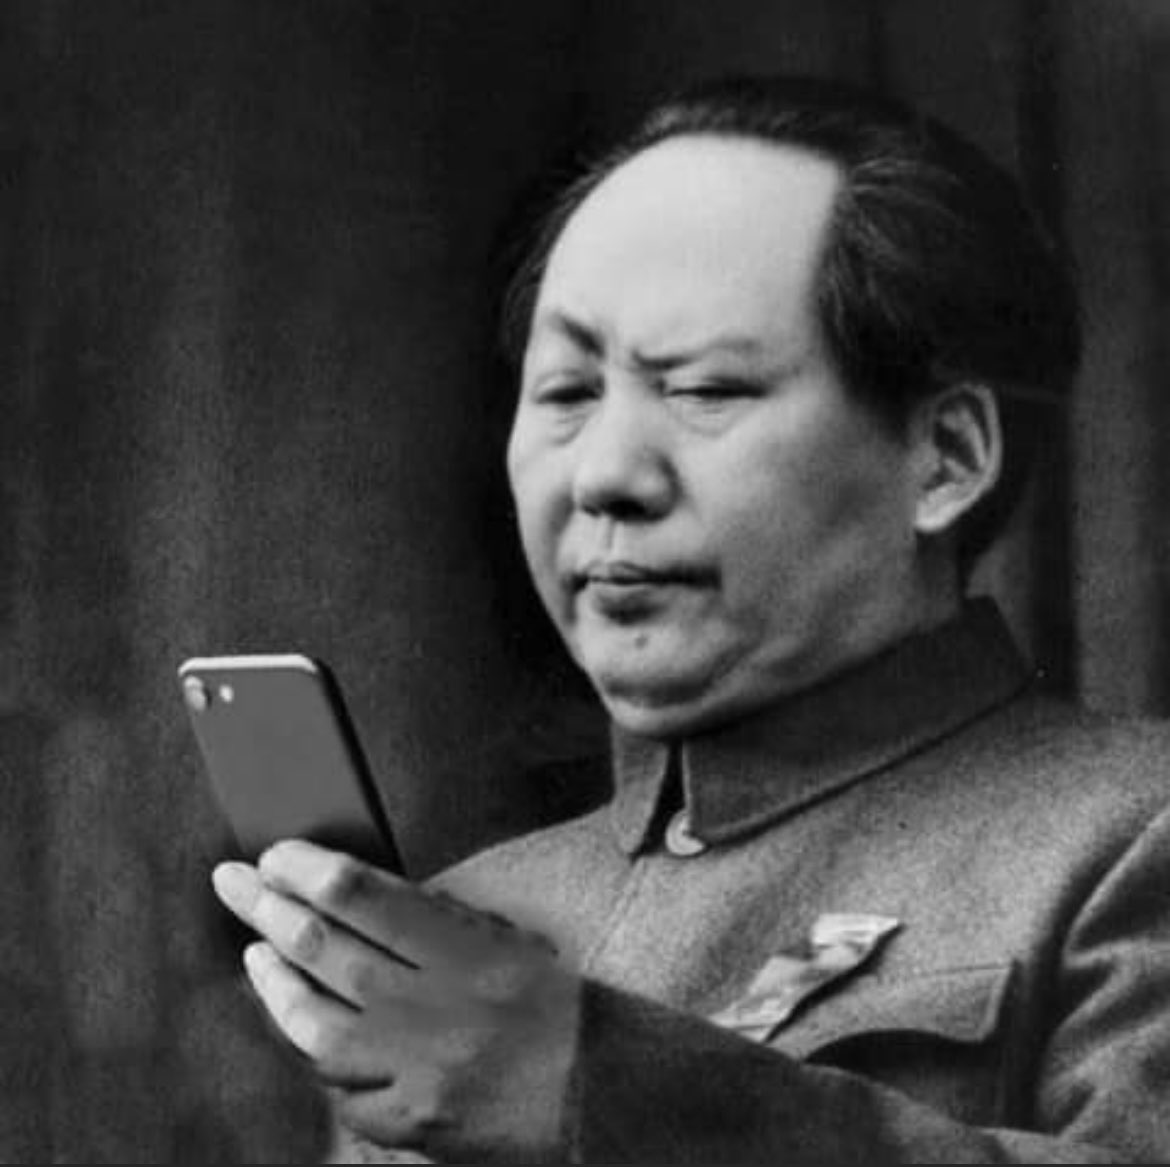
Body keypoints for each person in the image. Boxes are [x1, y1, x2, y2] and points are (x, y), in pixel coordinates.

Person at [211, 75, 1170, 1162]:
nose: (604, 475)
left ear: (945, 458)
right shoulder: (471, 915)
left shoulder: (1128, 836)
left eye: (705, 389)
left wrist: (598, 1087)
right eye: (567, 393)